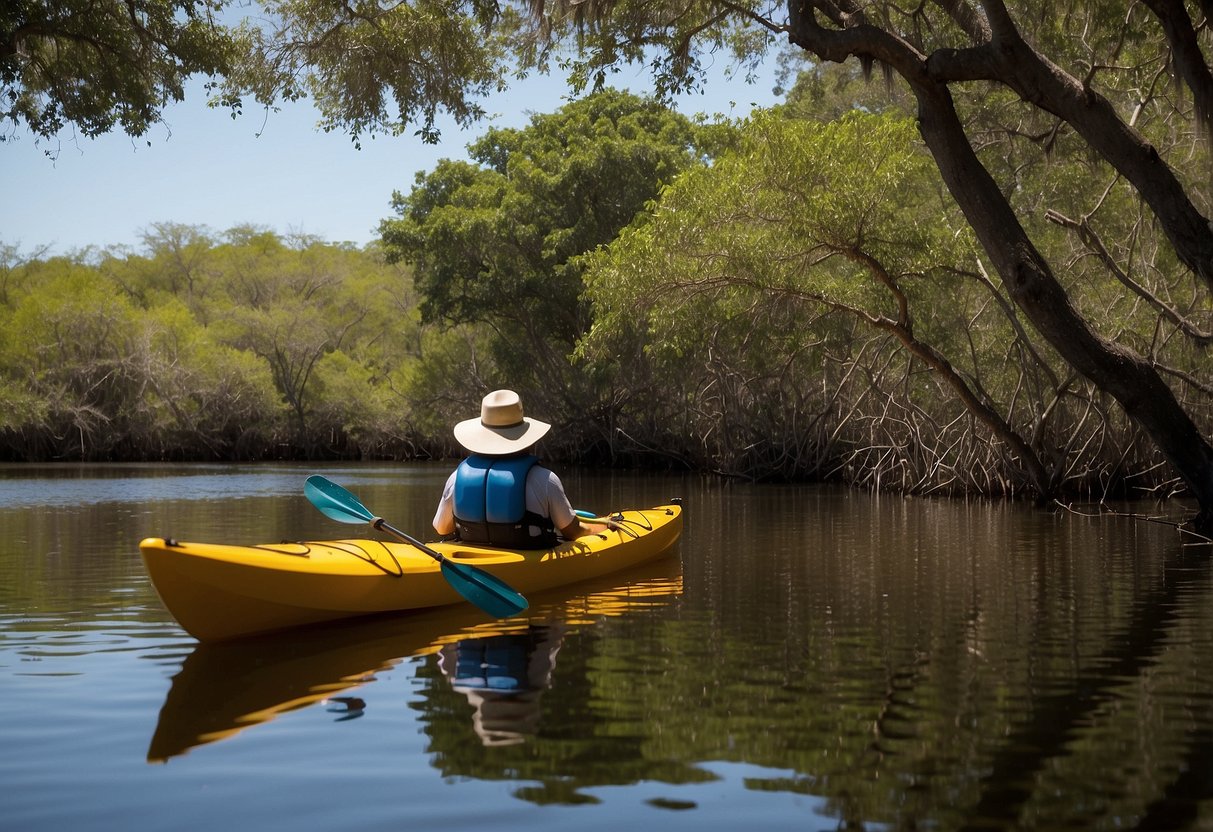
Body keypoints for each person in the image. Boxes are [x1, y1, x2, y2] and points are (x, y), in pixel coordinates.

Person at [432, 389, 605, 548]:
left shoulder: (456, 478)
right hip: (527, 563)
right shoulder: (545, 479)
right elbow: (573, 531)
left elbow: (442, 528)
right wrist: (606, 528)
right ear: (524, 437)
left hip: (473, 561)